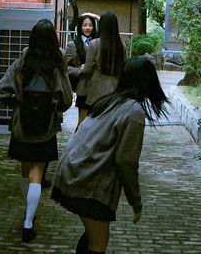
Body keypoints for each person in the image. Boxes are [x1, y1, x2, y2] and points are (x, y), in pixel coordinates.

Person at [51, 57, 169, 254]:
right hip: (86, 181)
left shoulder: (111, 101)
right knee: (98, 243)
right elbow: (126, 161)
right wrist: (136, 202)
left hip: (74, 172)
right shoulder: (133, 111)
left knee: (93, 237)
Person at [0, 19, 73, 244]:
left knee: (24, 172)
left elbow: (1, 89)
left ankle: (29, 210)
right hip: (45, 126)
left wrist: (17, 103)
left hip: (22, 124)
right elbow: (66, 99)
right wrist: (55, 107)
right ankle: (28, 222)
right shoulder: (57, 62)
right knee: (37, 175)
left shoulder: (23, 60)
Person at [80, 10, 126, 108]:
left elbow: (87, 69)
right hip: (116, 90)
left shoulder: (94, 44)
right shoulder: (122, 45)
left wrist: (83, 67)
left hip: (98, 90)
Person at [65, 13, 97, 131]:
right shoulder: (73, 45)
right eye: (84, 25)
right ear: (80, 27)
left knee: (95, 123)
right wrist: (79, 70)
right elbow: (65, 67)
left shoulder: (98, 42)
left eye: (90, 25)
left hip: (97, 87)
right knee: (82, 124)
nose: (87, 28)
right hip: (83, 87)